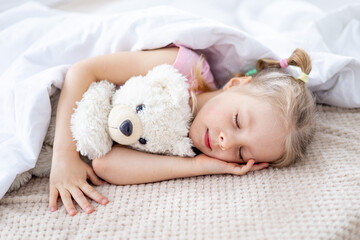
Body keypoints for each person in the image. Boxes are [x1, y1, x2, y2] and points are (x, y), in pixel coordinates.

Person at [49, 45, 315, 216]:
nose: (225, 142)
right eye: (237, 121)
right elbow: (85, 70)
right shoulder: (183, 69)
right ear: (234, 84)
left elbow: (105, 164)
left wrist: (199, 165)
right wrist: (65, 157)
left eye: (242, 153)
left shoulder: (189, 150)